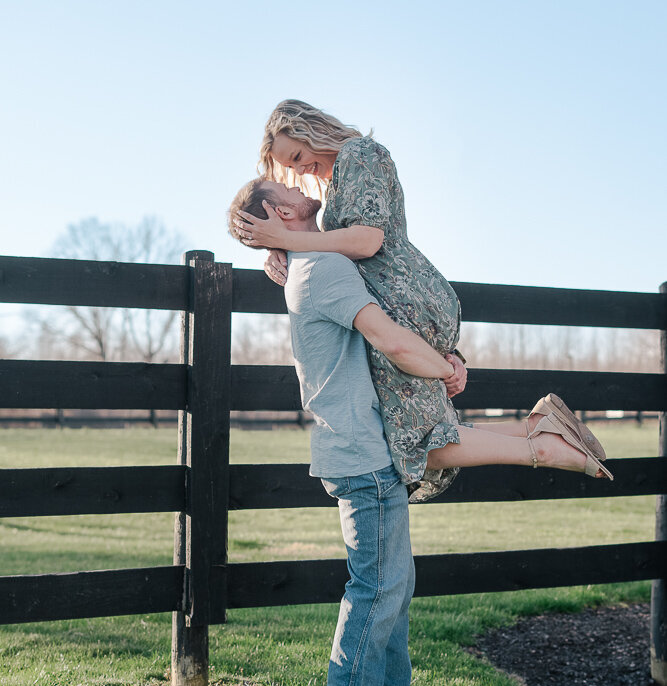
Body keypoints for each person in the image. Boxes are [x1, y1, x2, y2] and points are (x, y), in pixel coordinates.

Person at [226, 177, 609, 686]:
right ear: (278, 211)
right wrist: (448, 372)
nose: (301, 186)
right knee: (375, 595)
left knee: (393, 594)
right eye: (286, 185)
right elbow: (391, 339)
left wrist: (441, 367)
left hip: (366, 451)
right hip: (362, 458)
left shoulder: (311, 263)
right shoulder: (319, 271)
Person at [233, 101, 613, 496]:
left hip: (404, 299)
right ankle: (537, 427)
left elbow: (368, 239)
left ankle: (544, 448)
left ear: (312, 129)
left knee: (422, 443)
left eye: (297, 156)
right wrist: (279, 252)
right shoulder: (341, 178)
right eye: (290, 168)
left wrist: (286, 240)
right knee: (433, 433)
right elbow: (332, 242)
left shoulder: (361, 153)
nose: (299, 169)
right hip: (403, 299)